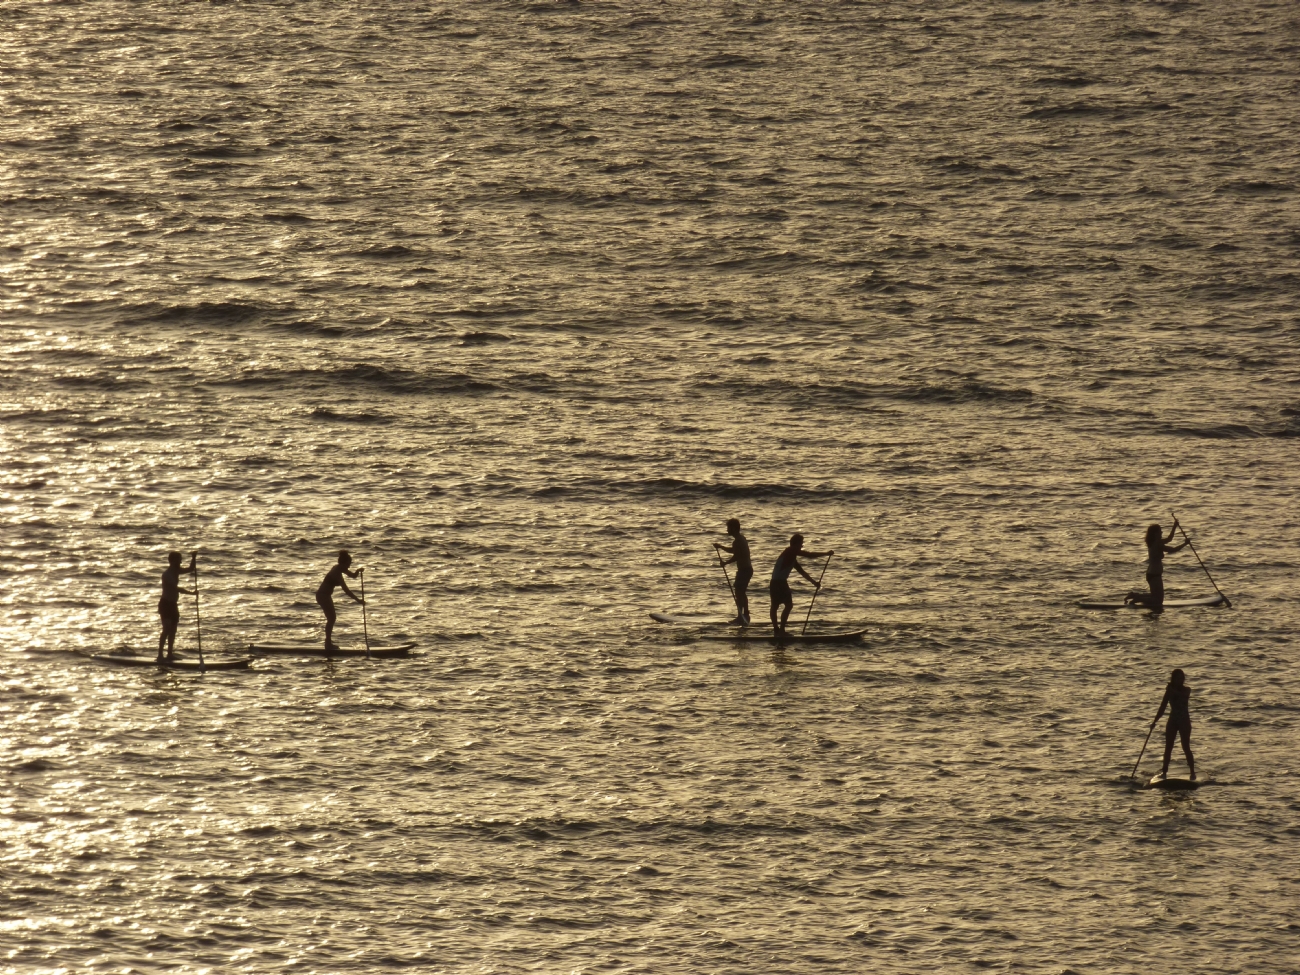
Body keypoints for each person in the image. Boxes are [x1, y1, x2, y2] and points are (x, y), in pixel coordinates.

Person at [769, 533, 833, 635]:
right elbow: (809, 555)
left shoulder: (791, 557)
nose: (802, 546)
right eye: (801, 543)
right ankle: (779, 630)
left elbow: (802, 573)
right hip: (779, 583)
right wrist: (826, 553)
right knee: (785, 606)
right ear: (796, 544)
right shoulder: (790, 550)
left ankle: (778, 630)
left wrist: (814, 583)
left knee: (778, 606)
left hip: (776, 582)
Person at [1125, 520, 1188, 609]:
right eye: (1160, 532)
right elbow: (1173, 550)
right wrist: (1185, 544)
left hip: (1152, 574)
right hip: (1154, 575)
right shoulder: (1158, 545)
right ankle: (1137, 598)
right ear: (1155, 534)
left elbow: (1170, 538)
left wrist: (1174, 526)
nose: (1161, 533)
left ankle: (1134, 595)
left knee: (1155, 596)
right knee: (1158, 600)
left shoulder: (1154, 542)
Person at [1150, 668, 1196, 780]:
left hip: (1184, 721)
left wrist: (1172, 690)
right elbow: (1163, 707)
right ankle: (1164, 772)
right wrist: (1154, 721)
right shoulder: (1169, 692)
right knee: (1168, 747)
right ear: (1173, 679)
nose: (1180, 680)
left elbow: (1183, 696)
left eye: (1182, 678)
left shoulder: (1186, 690)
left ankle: (1192, 773)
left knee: (1185, 746)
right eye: (1178, 678)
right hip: (1173, 720)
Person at [317, 551, 363, 650]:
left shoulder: (340, 568)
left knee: (332, 618)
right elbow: (346, 590)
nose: (349, 566)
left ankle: (328, 643)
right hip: (322, 596)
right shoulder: (337, 573)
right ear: (343, 563)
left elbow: (353, 576)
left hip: (326, 595)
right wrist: (358, 600)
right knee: (332, 618)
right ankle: (328, 644)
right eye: (348, 564)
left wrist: (358, 571)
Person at [158, 551, 197, 663]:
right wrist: (191, 593)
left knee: (173, 630)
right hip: (165, 604)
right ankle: (160, 655)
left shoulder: (176, 571)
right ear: (173, 561)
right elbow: (176, 588)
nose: (181, 561)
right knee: (166, 629)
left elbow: (191, 569)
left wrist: (193, 557)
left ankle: (169, 654)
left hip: (173, 604)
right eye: (179, 559)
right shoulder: (166, 575)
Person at [714, 518, 753, 624]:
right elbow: (734, 551)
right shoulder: (741, 539)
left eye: (728, 528)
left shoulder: (738, 541)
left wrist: (725, 563)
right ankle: (745, 615)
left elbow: (736, 556)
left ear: (734, 528)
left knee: (739, 593)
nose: (727, 530)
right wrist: (721, 547)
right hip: (747, 570)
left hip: (744, 570)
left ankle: (742, 616)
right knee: (741, 593)